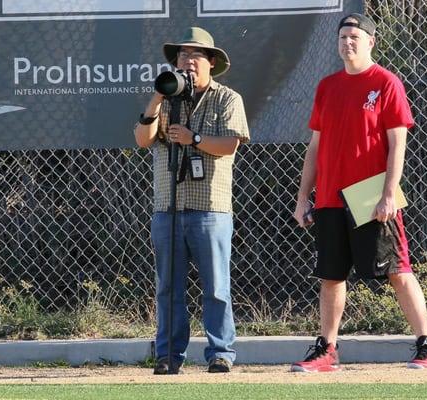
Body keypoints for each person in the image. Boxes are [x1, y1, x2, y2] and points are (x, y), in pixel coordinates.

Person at [291, 13, 427, 372]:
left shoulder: (386, 82)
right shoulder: (327, 86)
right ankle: (327, 350)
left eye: (355, 37)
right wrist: (302, 198)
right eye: (343, 37)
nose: (348, 43)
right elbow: (315, 145)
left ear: (370, 42)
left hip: (370, 192)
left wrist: (389, 193)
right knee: (331, 276)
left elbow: (397, 143)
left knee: (397, 270)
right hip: (329, 194)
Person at [134, 27, 249, 374]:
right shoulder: (166, 99)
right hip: (167, 208)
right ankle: (169, 355)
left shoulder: (227, 98)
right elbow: (143, 139)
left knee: (216, 287)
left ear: (211, 62)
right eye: (182, 56)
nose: (187, 63)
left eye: (194, 56)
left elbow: (230, 144)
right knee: (169, 287)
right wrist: (155, 98)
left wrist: (193, 137)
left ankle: (220, 354)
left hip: (210, 209)